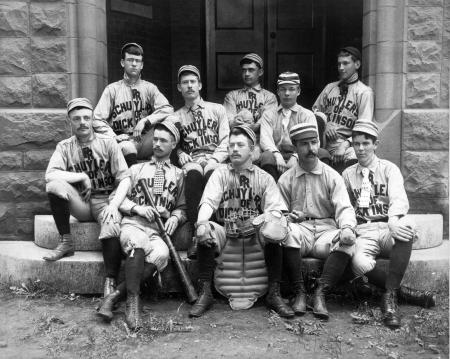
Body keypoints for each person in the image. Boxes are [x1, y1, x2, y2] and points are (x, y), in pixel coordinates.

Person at [190, 125, 302, 319]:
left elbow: (275, 210)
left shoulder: (264, 178)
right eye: (231, 145)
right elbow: (208, 201)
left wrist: (272, 220)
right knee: (205, 228)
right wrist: (201, 223)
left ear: (252, 150)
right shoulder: (220, 174)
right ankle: (205, 292)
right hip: (227, 231)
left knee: (274, 229)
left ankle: (275, 294)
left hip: (254, 234)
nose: (234, 149)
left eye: (240, 145)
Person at [342, 120, 436, 328]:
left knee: (406, 228)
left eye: (366, 143)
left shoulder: (389, 169)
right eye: (356, 144)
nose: (361, 148)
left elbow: (399, 199)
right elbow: (345, 206)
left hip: (386, 227)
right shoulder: (348, 174)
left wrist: (393, 221)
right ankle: (403, 293)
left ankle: (389, 300)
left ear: (376, 144)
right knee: (358, 262)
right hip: (364, 229)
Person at [97, 121, 187, 330]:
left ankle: (114, 296)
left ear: (173, 144)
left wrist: (174, 217)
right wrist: (137, 208)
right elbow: (116, 197)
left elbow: (182, 207)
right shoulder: (137, 168)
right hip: (135, 224)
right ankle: (133, 303)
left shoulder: (179, 174)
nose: (157, 144)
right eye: (155, 139)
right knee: (138, 243)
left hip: (158, 231)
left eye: (163, 140)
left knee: (161, 254)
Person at [43, 98, 130, 300]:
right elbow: (50, 174)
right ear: (70, 122)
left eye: (86, 118)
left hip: (106, 199)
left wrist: (115, 205)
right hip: (81, 201)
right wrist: (81, 177)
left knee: (111, 224)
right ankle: (66, 241)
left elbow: (125, 178)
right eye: (76, 119)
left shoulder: (108, 143)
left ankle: (110, 280)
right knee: (53, 186)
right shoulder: (64, 146)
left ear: (92, 120)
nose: (82, 122)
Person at [277, 123, 357, 320]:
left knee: (347, 241)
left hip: (326, 230)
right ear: (295, 147)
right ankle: (300, 292)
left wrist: (346, 227)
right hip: (301, 231)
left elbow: (344, 208)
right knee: (286, 234)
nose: (312, 149)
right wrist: (287, 218)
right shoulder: (286, 179)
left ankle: (321, 292)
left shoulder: (332, 176)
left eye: (314, 142)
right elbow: (277, 212)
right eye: (304, 144)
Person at [169, 65, 230, 230]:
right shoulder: (175, 116)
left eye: (193, 81)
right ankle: (196, 232)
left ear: (200, 85)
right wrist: (180, 152)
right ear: (179, 87)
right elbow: (173, 143)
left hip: (215, 157)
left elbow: (226, 140)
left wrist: (215, 159)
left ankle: (214, 229)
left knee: (212, 172)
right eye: (185, 82)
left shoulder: (217, 109)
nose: (189, 85)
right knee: (194, 174)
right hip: (192, 160)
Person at [93, 42, 174, 167]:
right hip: (123, 140)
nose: (134, 64)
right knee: (126, 147)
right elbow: (97, 119)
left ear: (142, 65)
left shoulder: (149, 88)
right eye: (130, 60)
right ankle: (133, 180)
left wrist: (145, 121)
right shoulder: (112, 89)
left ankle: (165, 170)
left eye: (137, 61)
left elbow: (167, 109)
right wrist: (113, 136)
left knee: (172, 120)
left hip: (146, 139)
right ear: (122, 63)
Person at [313, 46, 374, 172]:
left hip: (346, 144)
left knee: (353, 155)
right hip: (323, 141)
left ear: (357, 64)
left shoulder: (364, 92)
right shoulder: (330, 87)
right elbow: (313, 112)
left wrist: (345, 145)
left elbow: (364, 127)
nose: (341, 68)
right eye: (339, 64)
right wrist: (325, 124)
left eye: (346, 63)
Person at [260, 72, 317, 181]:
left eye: (291, 89)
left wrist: (296, 156)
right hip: (276, 155)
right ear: (278, 92)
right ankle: (273, 190)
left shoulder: (307, 114)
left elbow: (314, 140)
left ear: (298, 91)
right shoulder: (268, 114)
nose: (287, 93)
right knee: (266, 156)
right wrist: (276, 155)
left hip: (299, 154)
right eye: (283, 89)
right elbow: (265, 139)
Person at [223, 53, 277, 162]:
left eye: (251, 70)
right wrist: (235, 122)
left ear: (260, 72)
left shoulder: (269, 97)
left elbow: (267, 120)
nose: (246, 74)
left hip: (259, 142)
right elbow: (229, 119)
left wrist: (255, 126)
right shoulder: (232, 96)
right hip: (237, 140)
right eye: (244, 70)